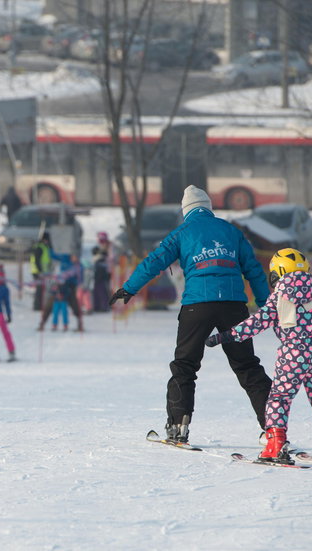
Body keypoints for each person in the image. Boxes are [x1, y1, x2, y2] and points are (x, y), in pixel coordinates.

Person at [109, 185, 272, 444]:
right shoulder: (232, 231)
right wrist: (267, 306)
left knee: (184, 365)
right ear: (208, 208)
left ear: (186, 211)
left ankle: (178, 426)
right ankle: (274, 428)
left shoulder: (182, 232)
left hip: (197, 306)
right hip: (234, 306)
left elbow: (154, 261)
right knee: (247, 366)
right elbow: (253, 269)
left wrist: (129, 288)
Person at [206, 248, 312, 466]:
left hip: (292, 355)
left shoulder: (281, 297)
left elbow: (257, 322)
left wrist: (225, 336)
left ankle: (275, 444)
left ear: (279, 272)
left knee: (278, 399)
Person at [30, 232, 52, 311]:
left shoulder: (44, 247)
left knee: (42, 289)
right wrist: (40, 271)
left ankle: (41, 305)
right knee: (39, 289)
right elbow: (37, 260)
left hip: (43, 272)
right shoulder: (39, 248)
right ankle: (37, 307)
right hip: (38, 272)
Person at [91, 246, 111, 313]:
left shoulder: (100, 259)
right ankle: (99, 306)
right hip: (100, 278)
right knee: (98, 293)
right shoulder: (100, 259)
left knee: (101, 293)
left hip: (100, 278)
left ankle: (103, 307)